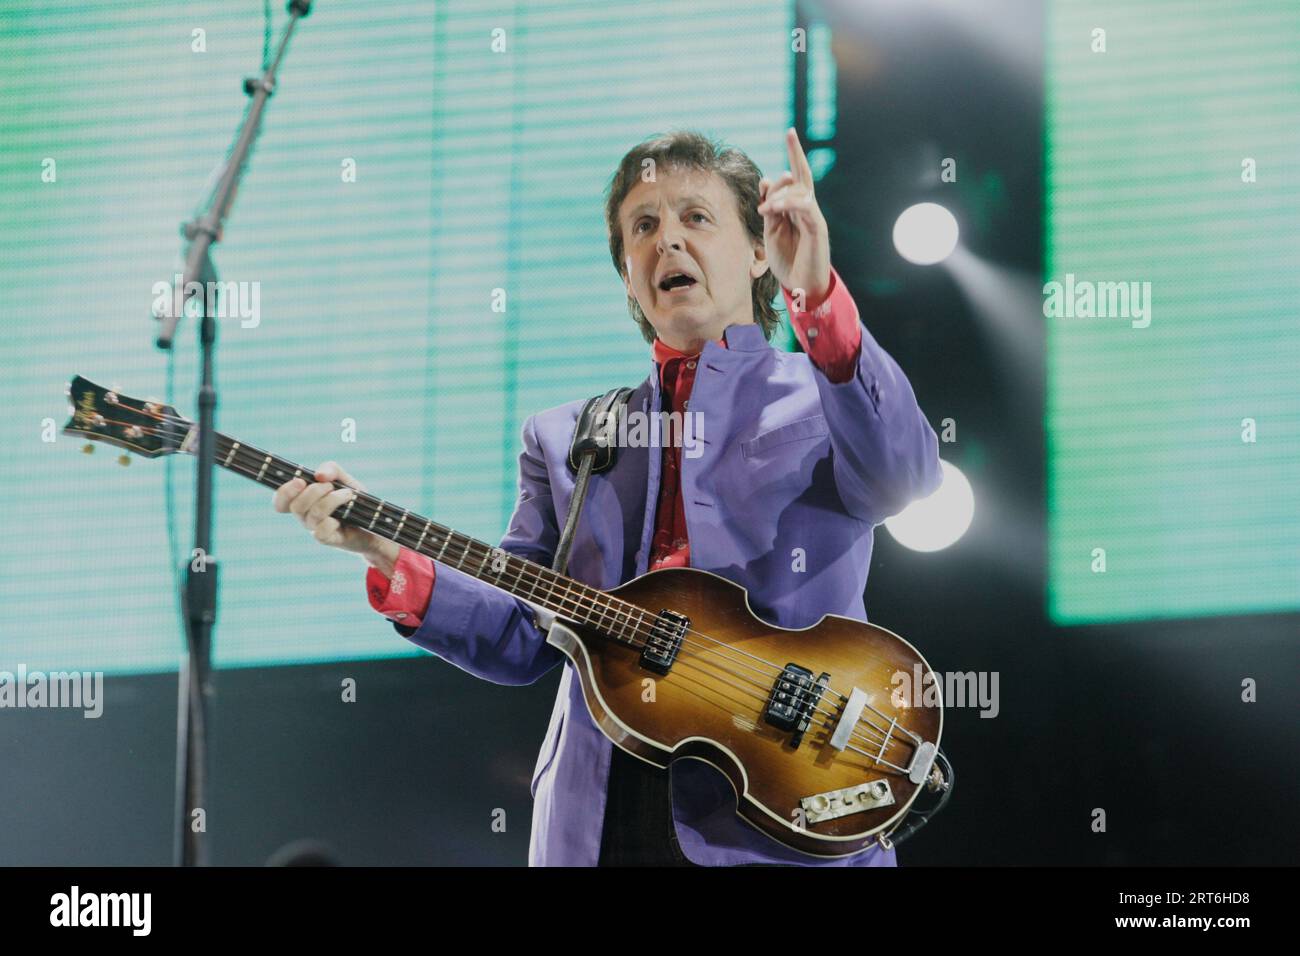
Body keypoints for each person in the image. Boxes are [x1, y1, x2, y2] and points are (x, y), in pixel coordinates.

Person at [273, 128, 943, 866]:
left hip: (782, 806)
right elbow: (521, 633)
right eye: (643, 227)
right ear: (628, 275)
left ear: (759, 252)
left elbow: (905, 478)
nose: (668, 243)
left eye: (696, 217)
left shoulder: (825, 391)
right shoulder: (566, 437)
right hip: (604, 816)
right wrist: (385, 548)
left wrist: (817, 298)